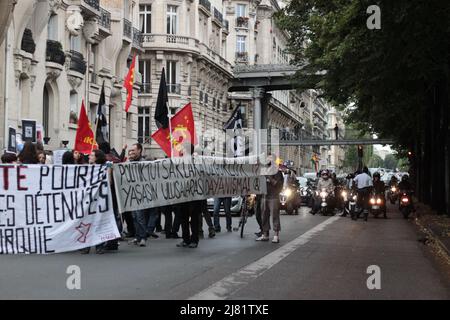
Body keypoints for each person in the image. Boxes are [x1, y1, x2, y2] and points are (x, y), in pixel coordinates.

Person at [80, 149, 108, 254]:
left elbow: (108, 182)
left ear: (97, 157)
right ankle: (86, 245)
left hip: (99, 200)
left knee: (98, 221)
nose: (89, 157)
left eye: (92, 155)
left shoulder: (104, 169)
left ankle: (99, 245)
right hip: (87, 200)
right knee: (86, 222)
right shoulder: (85, 168)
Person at [176, 143, 201, 248]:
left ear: (186, 150)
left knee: (194, 217)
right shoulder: (180, 162)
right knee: (183, 217)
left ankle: (194, 239)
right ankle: (186, 239)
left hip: (194, 194)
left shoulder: (196, 161)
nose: (180, 150)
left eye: (182, 148)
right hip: (183, 194)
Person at [256, 155, 284, 243]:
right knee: (264, 216)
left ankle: (276, 235)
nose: (268, 161)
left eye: (270, 159)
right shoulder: (263, 171)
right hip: (264, 196)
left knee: (275, 216)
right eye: (267, 159)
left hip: (273, 197)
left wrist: (269, 177)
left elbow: (277, 184)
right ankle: (265, 234)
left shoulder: (277, 173)